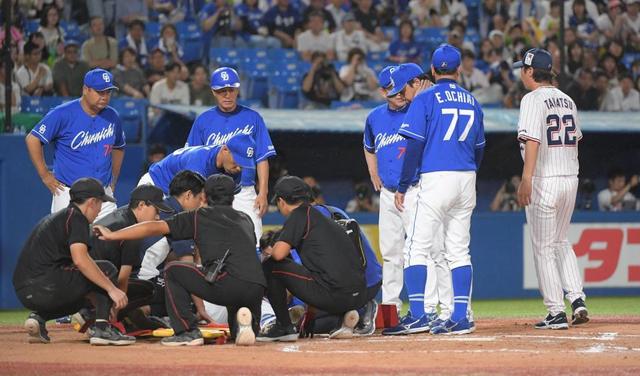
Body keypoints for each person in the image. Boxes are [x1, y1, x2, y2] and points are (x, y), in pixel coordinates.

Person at [94, 174, 266, 346]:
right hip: (256, 286)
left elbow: (153, 227)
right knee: (238, 330)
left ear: (204, 196)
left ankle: (187, 331)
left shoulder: (199, 216)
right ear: (233, 197)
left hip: (226, 285)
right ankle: (244, 324)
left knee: (173, 270)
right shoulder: (246, 219)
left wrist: (112, 234)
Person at [394, 44, 485, 335]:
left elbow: (414, 145)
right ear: (459, 70)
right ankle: (460, 316)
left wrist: (403, 184)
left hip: (436, 176)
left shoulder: (425, 98)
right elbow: (480, 147)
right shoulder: (472, 100)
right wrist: (469, 171)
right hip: (466, 175)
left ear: (433, 70)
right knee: (459, 250)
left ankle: (419, 313)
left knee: (415, 247)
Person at [363, 64, 453, 331]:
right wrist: (373, 171)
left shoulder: (419, 108)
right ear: (382, 92)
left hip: (415, 190)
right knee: (391, 253)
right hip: (389, 194)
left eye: (401, 88)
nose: (399, 94)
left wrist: (427, 93)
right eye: (393, 91)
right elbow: (368, 146)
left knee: (424, 250)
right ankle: (390, 308)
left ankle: (427, 308)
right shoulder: (374, 117)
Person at [514, 48, 589, 330]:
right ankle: (578, 299)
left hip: (545, 179)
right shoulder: (567, 99)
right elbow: (575, 140)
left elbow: (532, 140)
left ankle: (556, 311)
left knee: (543, 248)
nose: (521, 72)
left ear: (531, 71)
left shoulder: (532, 99)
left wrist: (526, 178)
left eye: (523, 68)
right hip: (570, 176)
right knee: (560, 241)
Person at [12, 178, 135, 346]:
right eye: (100, 203)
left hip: (26, 291)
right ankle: (102, 329)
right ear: (92, 202)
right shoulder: (76, 218)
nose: (100, 210)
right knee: (106, 270)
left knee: (85, 294)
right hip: (44, 284)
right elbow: (81, 260)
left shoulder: (62, 217)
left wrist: (100, 299)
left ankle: (39, 317)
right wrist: (112, 289)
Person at [257, 176, 367, 342]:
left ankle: (283, 326)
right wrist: (312, 314)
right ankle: (341, 320)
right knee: (313, 321)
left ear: (281, 201)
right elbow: (325, 269)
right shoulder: (323, 219)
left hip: (334, 295)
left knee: (270, 266)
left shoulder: (299, 215)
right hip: (357, 296)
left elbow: (278, 254)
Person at [185, 67, 277, 245]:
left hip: (244, 190)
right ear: (213, 92)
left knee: (254, 241)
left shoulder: (253, 117)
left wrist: (263, 192)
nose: (227, 95)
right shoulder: (203, 120)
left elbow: (261, 157)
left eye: (231, 90)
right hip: (212, 192)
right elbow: (192, 159)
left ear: (238, 90)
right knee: (211, 243)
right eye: (221, 91)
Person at [25, 68, 124, 219]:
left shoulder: (112, 116)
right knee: (68, 241)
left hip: (103, 194)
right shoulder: (62, 113)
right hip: (69, 194)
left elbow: (119, 146)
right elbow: (33, 139)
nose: (104, 97)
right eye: (100, 92)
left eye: (108, 92)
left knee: (108, 239)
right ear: (86, 89)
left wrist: (113, 180)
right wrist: (44, 174)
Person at [87, 184, 173, 331]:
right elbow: (123, 278)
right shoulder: (131, 230)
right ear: (141, 205)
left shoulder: (120, 215)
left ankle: (125, 316)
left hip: (80, 281)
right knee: (148, 289)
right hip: (95, 287)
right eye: (156, 210)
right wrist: (117, 307)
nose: (157, 216)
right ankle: (101, 316)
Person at [137, 171, 206, 321]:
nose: (201, 205)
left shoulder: (160, 206)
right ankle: (141, 311)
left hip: (128, 277)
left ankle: (138, 310)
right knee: (186, 291)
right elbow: (187, 267)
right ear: (188, 195)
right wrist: (201, 309)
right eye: (200, 199)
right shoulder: (181, 219)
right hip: (143, 282)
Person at [138, 134, 255, 194]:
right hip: (156, 184)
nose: (239, 168)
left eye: (243, 164)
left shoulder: (232, 168)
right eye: (237, 161)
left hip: (178, 193)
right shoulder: (199, 163)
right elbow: (187, 202)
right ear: (225, 150)